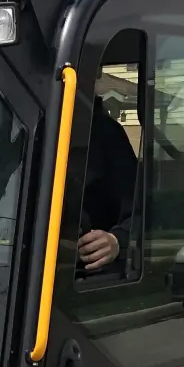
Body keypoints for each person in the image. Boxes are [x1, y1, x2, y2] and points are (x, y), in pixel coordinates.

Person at [77, 95, 138, 273]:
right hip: (5, 261)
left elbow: (139, 210)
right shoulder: (14, 122)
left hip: (84, 276)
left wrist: (116, 240)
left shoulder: (105, 134)